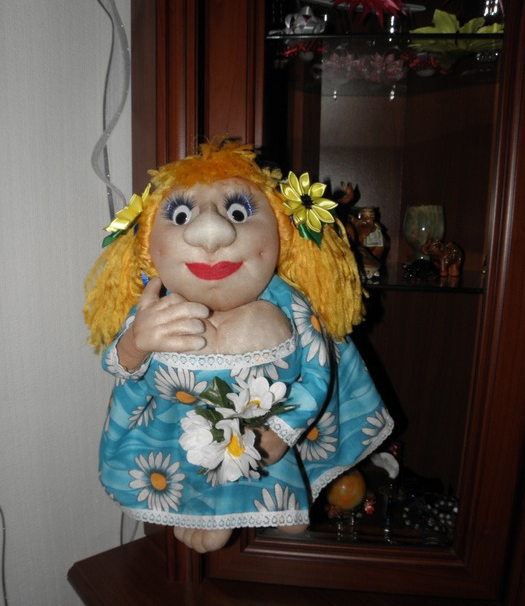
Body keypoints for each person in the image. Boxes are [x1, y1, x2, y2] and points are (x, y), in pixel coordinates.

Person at [84, 138, 393, 552]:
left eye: (238, 212)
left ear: (281, 234)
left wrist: (283, 431)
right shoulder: (155, 306)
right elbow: (118, 365)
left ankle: (278, 501)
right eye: (181, 215)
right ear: (147, 247)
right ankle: (208, 512)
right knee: (197, 460)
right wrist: (137, 343)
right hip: (176, 439)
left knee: (261, 448)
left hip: (263, 430)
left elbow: (318, 371)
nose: (212, 234)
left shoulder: (290, 305)